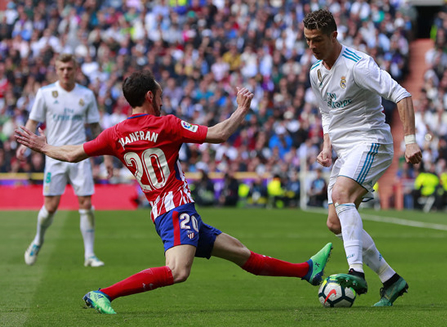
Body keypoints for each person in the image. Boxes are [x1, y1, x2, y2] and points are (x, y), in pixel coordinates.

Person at [16, 70, 333, 314]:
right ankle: (104, 293)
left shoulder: (115, 134)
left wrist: (43, 146)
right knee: (177, 271)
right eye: (161, 93)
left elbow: (72, 153)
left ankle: (307, 271)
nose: (164, 97)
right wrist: (241, 110)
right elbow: (218, 134)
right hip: (176, 210)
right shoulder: (165, 125)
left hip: (163, 211)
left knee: (241, 254)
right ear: (151, 95)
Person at [303, 9, 422, 306]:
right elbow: (327, 113)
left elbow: (403, 95)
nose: (312, 47)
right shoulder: (315, 72)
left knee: (342, 194)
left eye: (317, 40)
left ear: (334, 36)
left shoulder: (359, 66)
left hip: (371, 141)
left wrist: (409, 141)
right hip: (344, 151)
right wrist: (327, 145)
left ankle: (355, 271)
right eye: (307, 40)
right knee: (335, 223)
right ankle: (391, 280)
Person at [16, 53, 113, 267]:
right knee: (50, 207)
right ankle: (38, 240)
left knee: (86, 202)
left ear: (76, 69)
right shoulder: (46, 94)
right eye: (61, 69)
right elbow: (32, 122)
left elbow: (96, 129)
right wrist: (24, 144)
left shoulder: (86, 95)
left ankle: (89, 255)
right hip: (54, 155)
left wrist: (107, 156)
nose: (66, 72)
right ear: (56, 69)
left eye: (69, 68)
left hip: (80, 154)